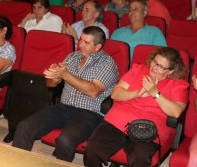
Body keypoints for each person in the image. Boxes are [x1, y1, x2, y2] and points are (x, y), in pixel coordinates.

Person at [13, 26, 119, 162]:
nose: (80, 44)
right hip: (64, 107)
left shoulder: (107, 63)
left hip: (89, 114)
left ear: (97, 47)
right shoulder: (73, 56)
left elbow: (93, 91)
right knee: (25, 127)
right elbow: (50, 85)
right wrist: (53, 76)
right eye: (80, 40)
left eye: (86, 43)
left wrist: (65, 75)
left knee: (65, 141)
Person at [83, 47, 188, 167]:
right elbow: (115, 94)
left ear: (170, 71)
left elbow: (176, 112)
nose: (154, 67)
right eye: (154, 62)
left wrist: (155, 93)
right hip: (117, 121)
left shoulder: (177, 85)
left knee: (140, 160)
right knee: (91, 151)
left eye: (160, 67)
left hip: (148, 130)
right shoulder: (138, 70)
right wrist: (136, 94)